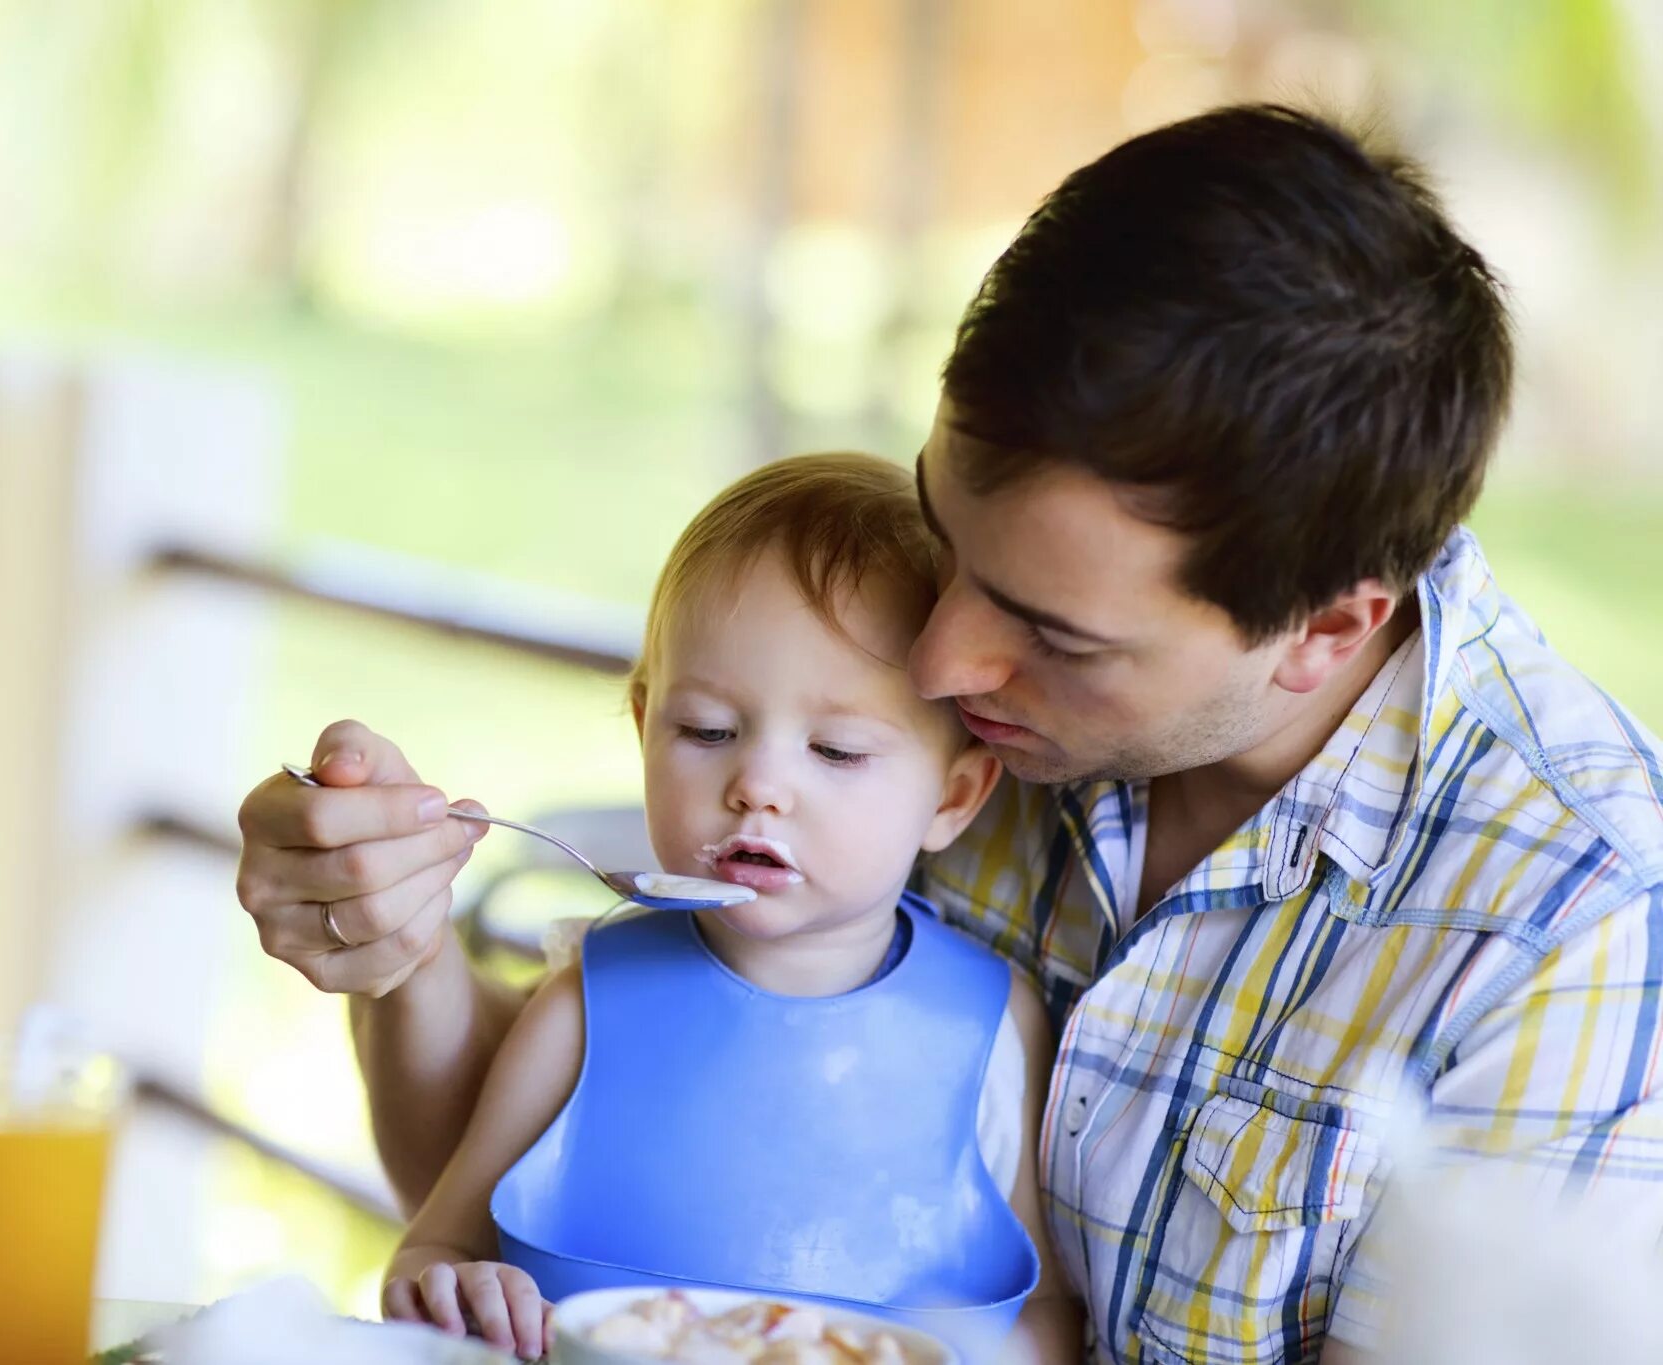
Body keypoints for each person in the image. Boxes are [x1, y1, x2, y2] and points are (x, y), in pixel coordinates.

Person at [235, 104, 1663, 1365]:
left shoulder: (1565, 925)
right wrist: (396, 950)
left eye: (1053, 630)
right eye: (948, 533)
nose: (939, 656)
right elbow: (580, 1160)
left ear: (1330, 630)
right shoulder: (936, 701)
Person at [374, 453, 1076, 1362]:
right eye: (707, 730)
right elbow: (434, 1248)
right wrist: (455, 1283)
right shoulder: (586, 1005)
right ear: (643, 728)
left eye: (836, 748)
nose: (758, 786)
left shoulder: (993, 1026)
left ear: (952, 798)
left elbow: (1046, 1314)